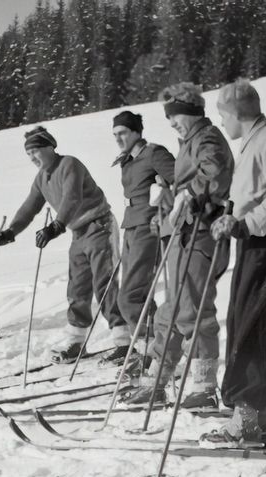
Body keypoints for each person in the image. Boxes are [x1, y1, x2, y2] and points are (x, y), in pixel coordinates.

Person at [197, 79, 266, 448]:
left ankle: (244, 421)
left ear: (236, 113)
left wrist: (245, 223)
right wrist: (232, 218)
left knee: (249, 331)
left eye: (222, 115)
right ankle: (264, 417)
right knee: (261, 331)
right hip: (259, 244)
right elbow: (254, 196)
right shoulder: (254, 144)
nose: (222, 123)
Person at [122, 82, 233, 410]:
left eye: (175, 117)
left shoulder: (207, 138)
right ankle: (157, 380)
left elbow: (212, 172)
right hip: (183, 232)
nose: (172, 124)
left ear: (191, 112)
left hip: (201, 232)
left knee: (194, 310)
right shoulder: (189, 141)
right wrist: (164, 211)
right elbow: (182, 187)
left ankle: (204, 385)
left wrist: (191, 194)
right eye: (169, 119)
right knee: (169, 310)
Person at [0, 126, 130, 363]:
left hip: (99, 226)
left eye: (35, 151)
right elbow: (29, 208)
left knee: (104, 284)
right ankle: (76, 341)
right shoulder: (41, 179)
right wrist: (11, 232)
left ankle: (124, 341)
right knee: (77, 288)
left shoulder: (69, 164)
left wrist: (57, 225)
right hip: (77, 232)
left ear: (50, 147)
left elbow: (72, 197)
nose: (33, 158)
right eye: (29, 154)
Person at [110, 111, 176, 367]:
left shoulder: (154, 153)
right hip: (131, 226)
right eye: (115, 134)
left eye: (123, 133)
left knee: (130, 296)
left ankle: (152, 351)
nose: (118, 138)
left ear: (137, 132)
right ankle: (151, 348)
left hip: (149, 227)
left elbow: (180, 181)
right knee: (140, 292)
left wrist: (166, 198)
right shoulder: (127, 159)